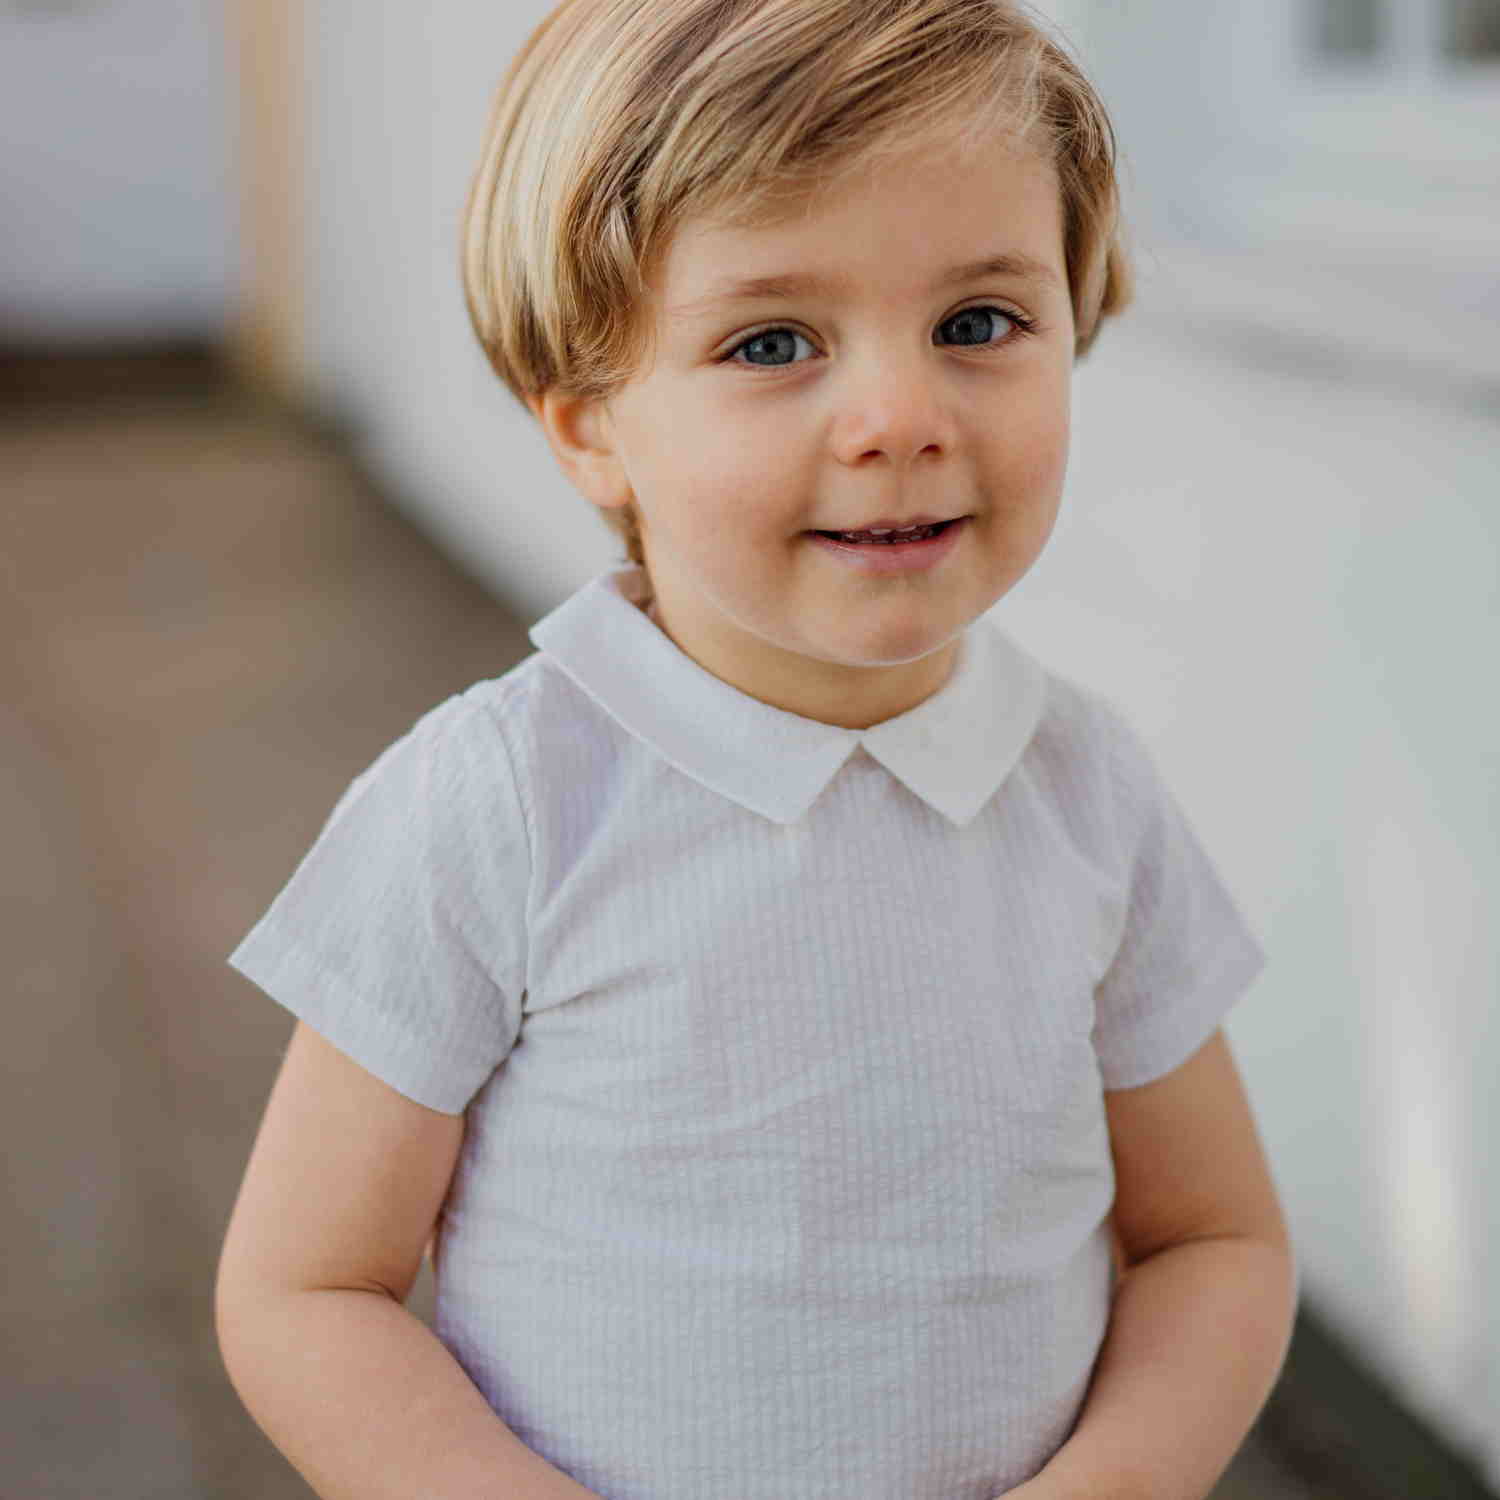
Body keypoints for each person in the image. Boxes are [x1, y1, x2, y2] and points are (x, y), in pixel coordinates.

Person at [214, 3, 1298, 1498]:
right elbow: (306, 1291)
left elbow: (1213, 1240)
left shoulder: (1084, 790)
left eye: (978, 323)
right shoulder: (505, 803)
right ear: (592, 428)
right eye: (773, 341)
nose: (901, 417)